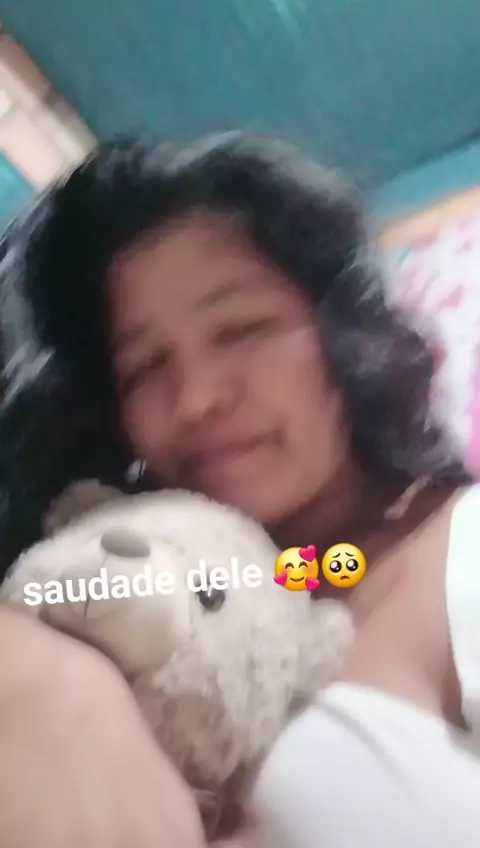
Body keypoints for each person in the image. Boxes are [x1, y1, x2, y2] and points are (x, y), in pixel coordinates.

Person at [0, 130, 479, 847]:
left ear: (341, 332)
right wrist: (31, 667)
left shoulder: (457, 552)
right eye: (145, 367)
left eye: (241, 329)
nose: (195, 400)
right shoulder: (159, 599)